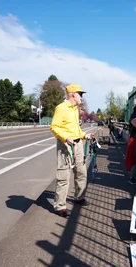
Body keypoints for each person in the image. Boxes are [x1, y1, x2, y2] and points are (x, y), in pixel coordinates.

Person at [50, 84, 94, 217]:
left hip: (78, 143)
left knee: (81, 172)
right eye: (80, 94)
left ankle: (79, 197)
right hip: (66, 144)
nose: (82, 96)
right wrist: (65, 137)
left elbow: (75, 128)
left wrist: (83, 135)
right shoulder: (61, 108)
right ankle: (60, 206)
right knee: (64, 176)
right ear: (73, 94)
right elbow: (54, 127)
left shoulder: (75, 109)